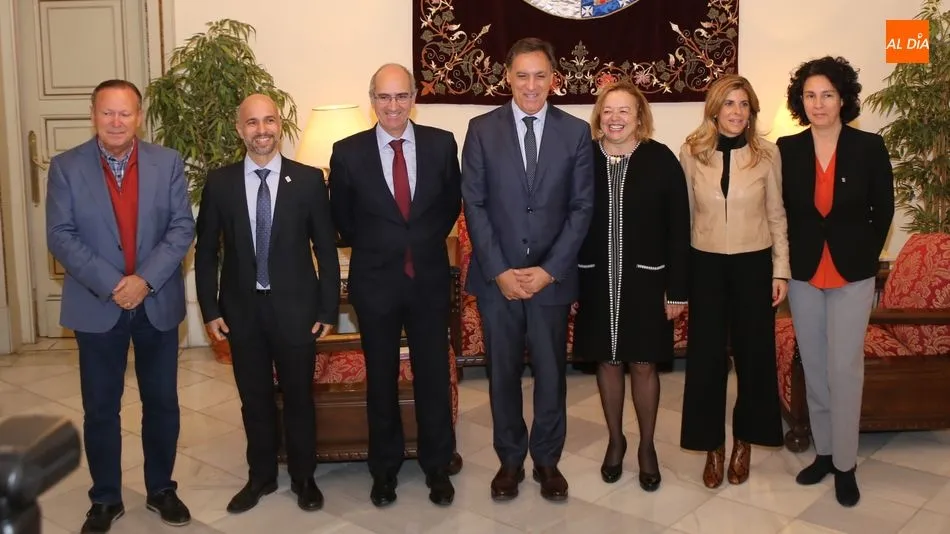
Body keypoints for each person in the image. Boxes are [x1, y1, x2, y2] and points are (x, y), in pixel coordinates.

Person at [46, 79, 194, 533]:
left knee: (162, 402)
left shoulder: (167, 162)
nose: (116, 121)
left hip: (156, 301)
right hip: (96, 304)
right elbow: (60, 236)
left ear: (139, 117)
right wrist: (115, 284)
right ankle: (106, 498)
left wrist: (144, 281)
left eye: (125, 113)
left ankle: (161, 489)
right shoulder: (66, 166)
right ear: (93, 115)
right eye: (107, 112)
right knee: (100, 408)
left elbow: (181, 228)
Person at [461, 37, 594, 502]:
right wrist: (499, 270)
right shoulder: (481, 129)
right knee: (502, 375)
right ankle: (510, 460)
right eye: (522, 75)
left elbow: (581, 207)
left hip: (550, 281)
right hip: (498, 280)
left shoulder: (575, 132)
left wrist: (548, 270)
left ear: (554, 79)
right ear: (508, 78)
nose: (531, 85)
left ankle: (547, 461)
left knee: (551, 376)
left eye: (540, 75)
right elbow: (474, 204)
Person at [194, 93, 340, 514]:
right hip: (242, 313)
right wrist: (210, 309)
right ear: (240, 129)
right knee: (254, 400)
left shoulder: (309, 180)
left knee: (298, 399)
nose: (262, 130)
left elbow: (326, 250)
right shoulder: (220, 183)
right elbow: (207, 252)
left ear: (280, 126)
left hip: (297, 312)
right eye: (253, 122)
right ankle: (261, 476)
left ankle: (304, 477)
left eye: (269, 121)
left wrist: (327, 309)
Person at [328, 63, 461, 507]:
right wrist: (385, 244)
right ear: (372, 100)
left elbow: (450, 205)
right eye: (384, 97)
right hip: (376, 283)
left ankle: (437, 466)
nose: (393, 105)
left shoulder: (442, 144)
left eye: (401, 96)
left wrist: (417, 241)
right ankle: (384, 470)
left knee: (433, 377)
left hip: (428, 280)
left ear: (414, 98)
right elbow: (343, 220)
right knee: (381, 380)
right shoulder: (347, 152)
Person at [778, 56, 894, 507]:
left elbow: (883, 209)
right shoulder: (787, 149)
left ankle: (846, 464)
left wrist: (865, 254)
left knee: (844, 369)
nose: (819, 103)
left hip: (852, 273)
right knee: (816, 366)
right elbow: (779, 212)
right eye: (810, 95)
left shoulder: (868, 146)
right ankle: (824, 452)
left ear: (843, 99)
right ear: (800, 101)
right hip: (805, 272)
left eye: (827, 94)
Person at [572, 81, 690, 491]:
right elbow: (567, 223)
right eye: (608, 111)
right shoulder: (583, 158)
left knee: (642, 363)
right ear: (598, 117)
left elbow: (679, 228)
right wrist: (569, 284)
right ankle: (615, 440)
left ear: (640, 117)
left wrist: (677, 289)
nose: (615, 118)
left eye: (624, 110)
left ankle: (647, 446)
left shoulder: (661, 159)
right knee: (607, 361)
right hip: (594, 279)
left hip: (647, 281)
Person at [678, 74, 789, 489]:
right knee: (705, 361)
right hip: (705, 265)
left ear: (752, 111)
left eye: (744, 104)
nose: (737, 112)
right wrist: (681, 276)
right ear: (714, 109)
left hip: (753, 264)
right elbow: (685, 218)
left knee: (754, 358)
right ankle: (712, 447)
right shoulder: (692, 152)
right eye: (729, 103)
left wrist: (781, 270)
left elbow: (777, 215)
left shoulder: (768, 154)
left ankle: (745, 441)